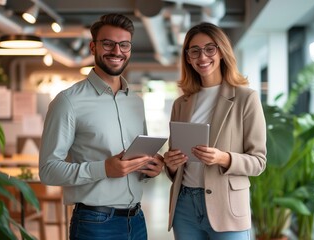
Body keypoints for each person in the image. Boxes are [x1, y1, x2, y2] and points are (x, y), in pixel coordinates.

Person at [39, 13, 164, 240]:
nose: (117, 51)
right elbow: (48, 170)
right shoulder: (68, 101)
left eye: (124, 44)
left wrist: (149, 169)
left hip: (137, 220)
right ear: (93, 47)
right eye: (108, 43)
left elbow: (135, 160)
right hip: (95, 224)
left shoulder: (136, 102)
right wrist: (104, 169)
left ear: (129, 49)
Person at [163, 22, 267, 240]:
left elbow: (258, 162)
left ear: (222, 52)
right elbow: (177, 163)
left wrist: (223, 158)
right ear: (188, 58)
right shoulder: (181, 103)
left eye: (210, 49)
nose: (203, 57)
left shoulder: (246, 98)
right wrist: (171, 165)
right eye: (195, 51)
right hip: (184, 207)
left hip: (226, 206)